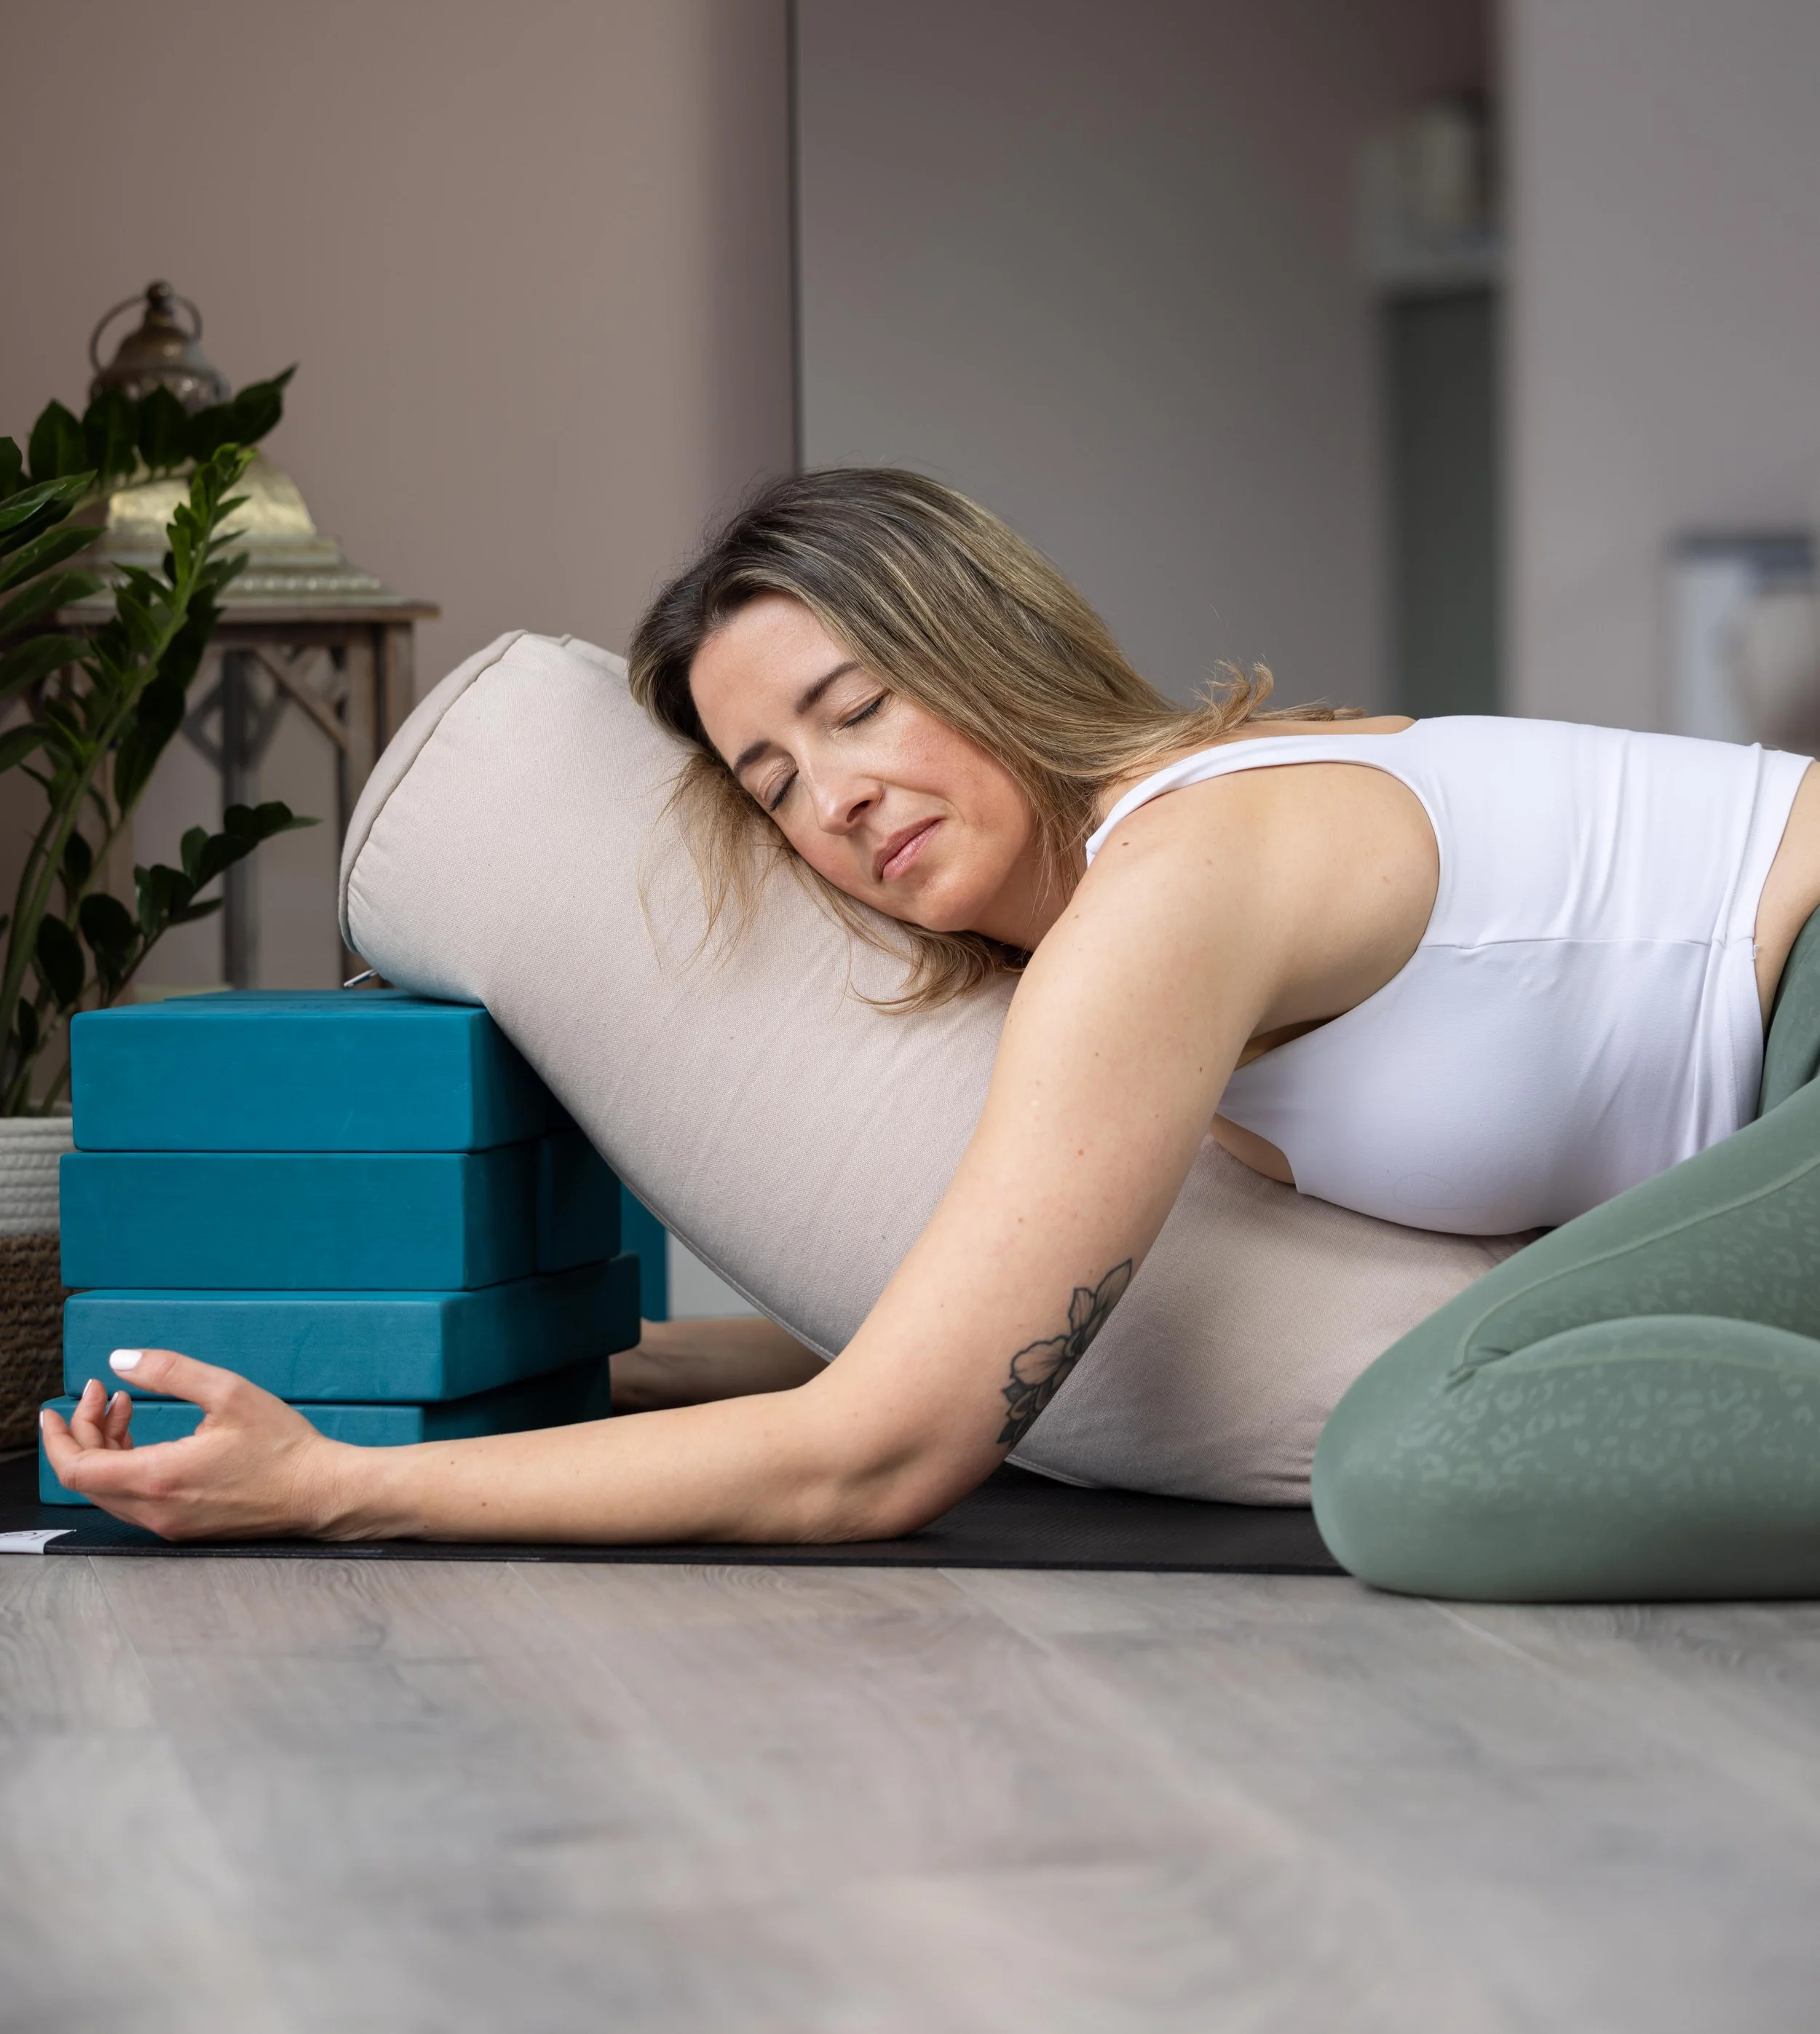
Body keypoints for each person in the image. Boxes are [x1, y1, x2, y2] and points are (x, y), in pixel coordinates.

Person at [43, 470, 1820, 1597]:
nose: (835, 799)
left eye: (853, 706)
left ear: (971, 644)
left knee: (1410, 1460)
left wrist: (346, 1489)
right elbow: (923, 1341)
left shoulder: (1169, 892)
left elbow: (882, 1449)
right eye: (773, 780)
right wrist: (572, 1362)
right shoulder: (1132, 909)